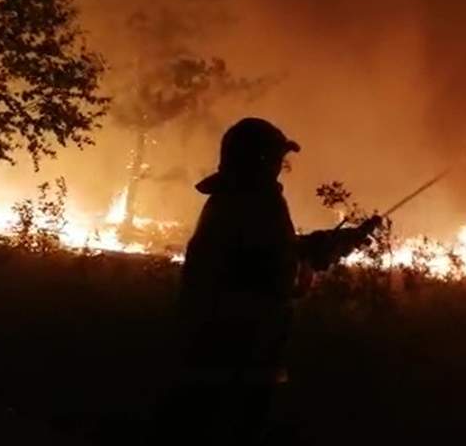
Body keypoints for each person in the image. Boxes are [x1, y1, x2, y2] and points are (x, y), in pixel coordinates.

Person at [155, 117, 381, 445]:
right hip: (241, 354)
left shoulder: (231, 198)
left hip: (210, 346)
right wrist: (322, 254)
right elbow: (279, 272)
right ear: (258, 160)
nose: (280, 168)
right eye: (277, 159)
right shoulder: (259, 201)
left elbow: (273, 250)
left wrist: (333, 242)